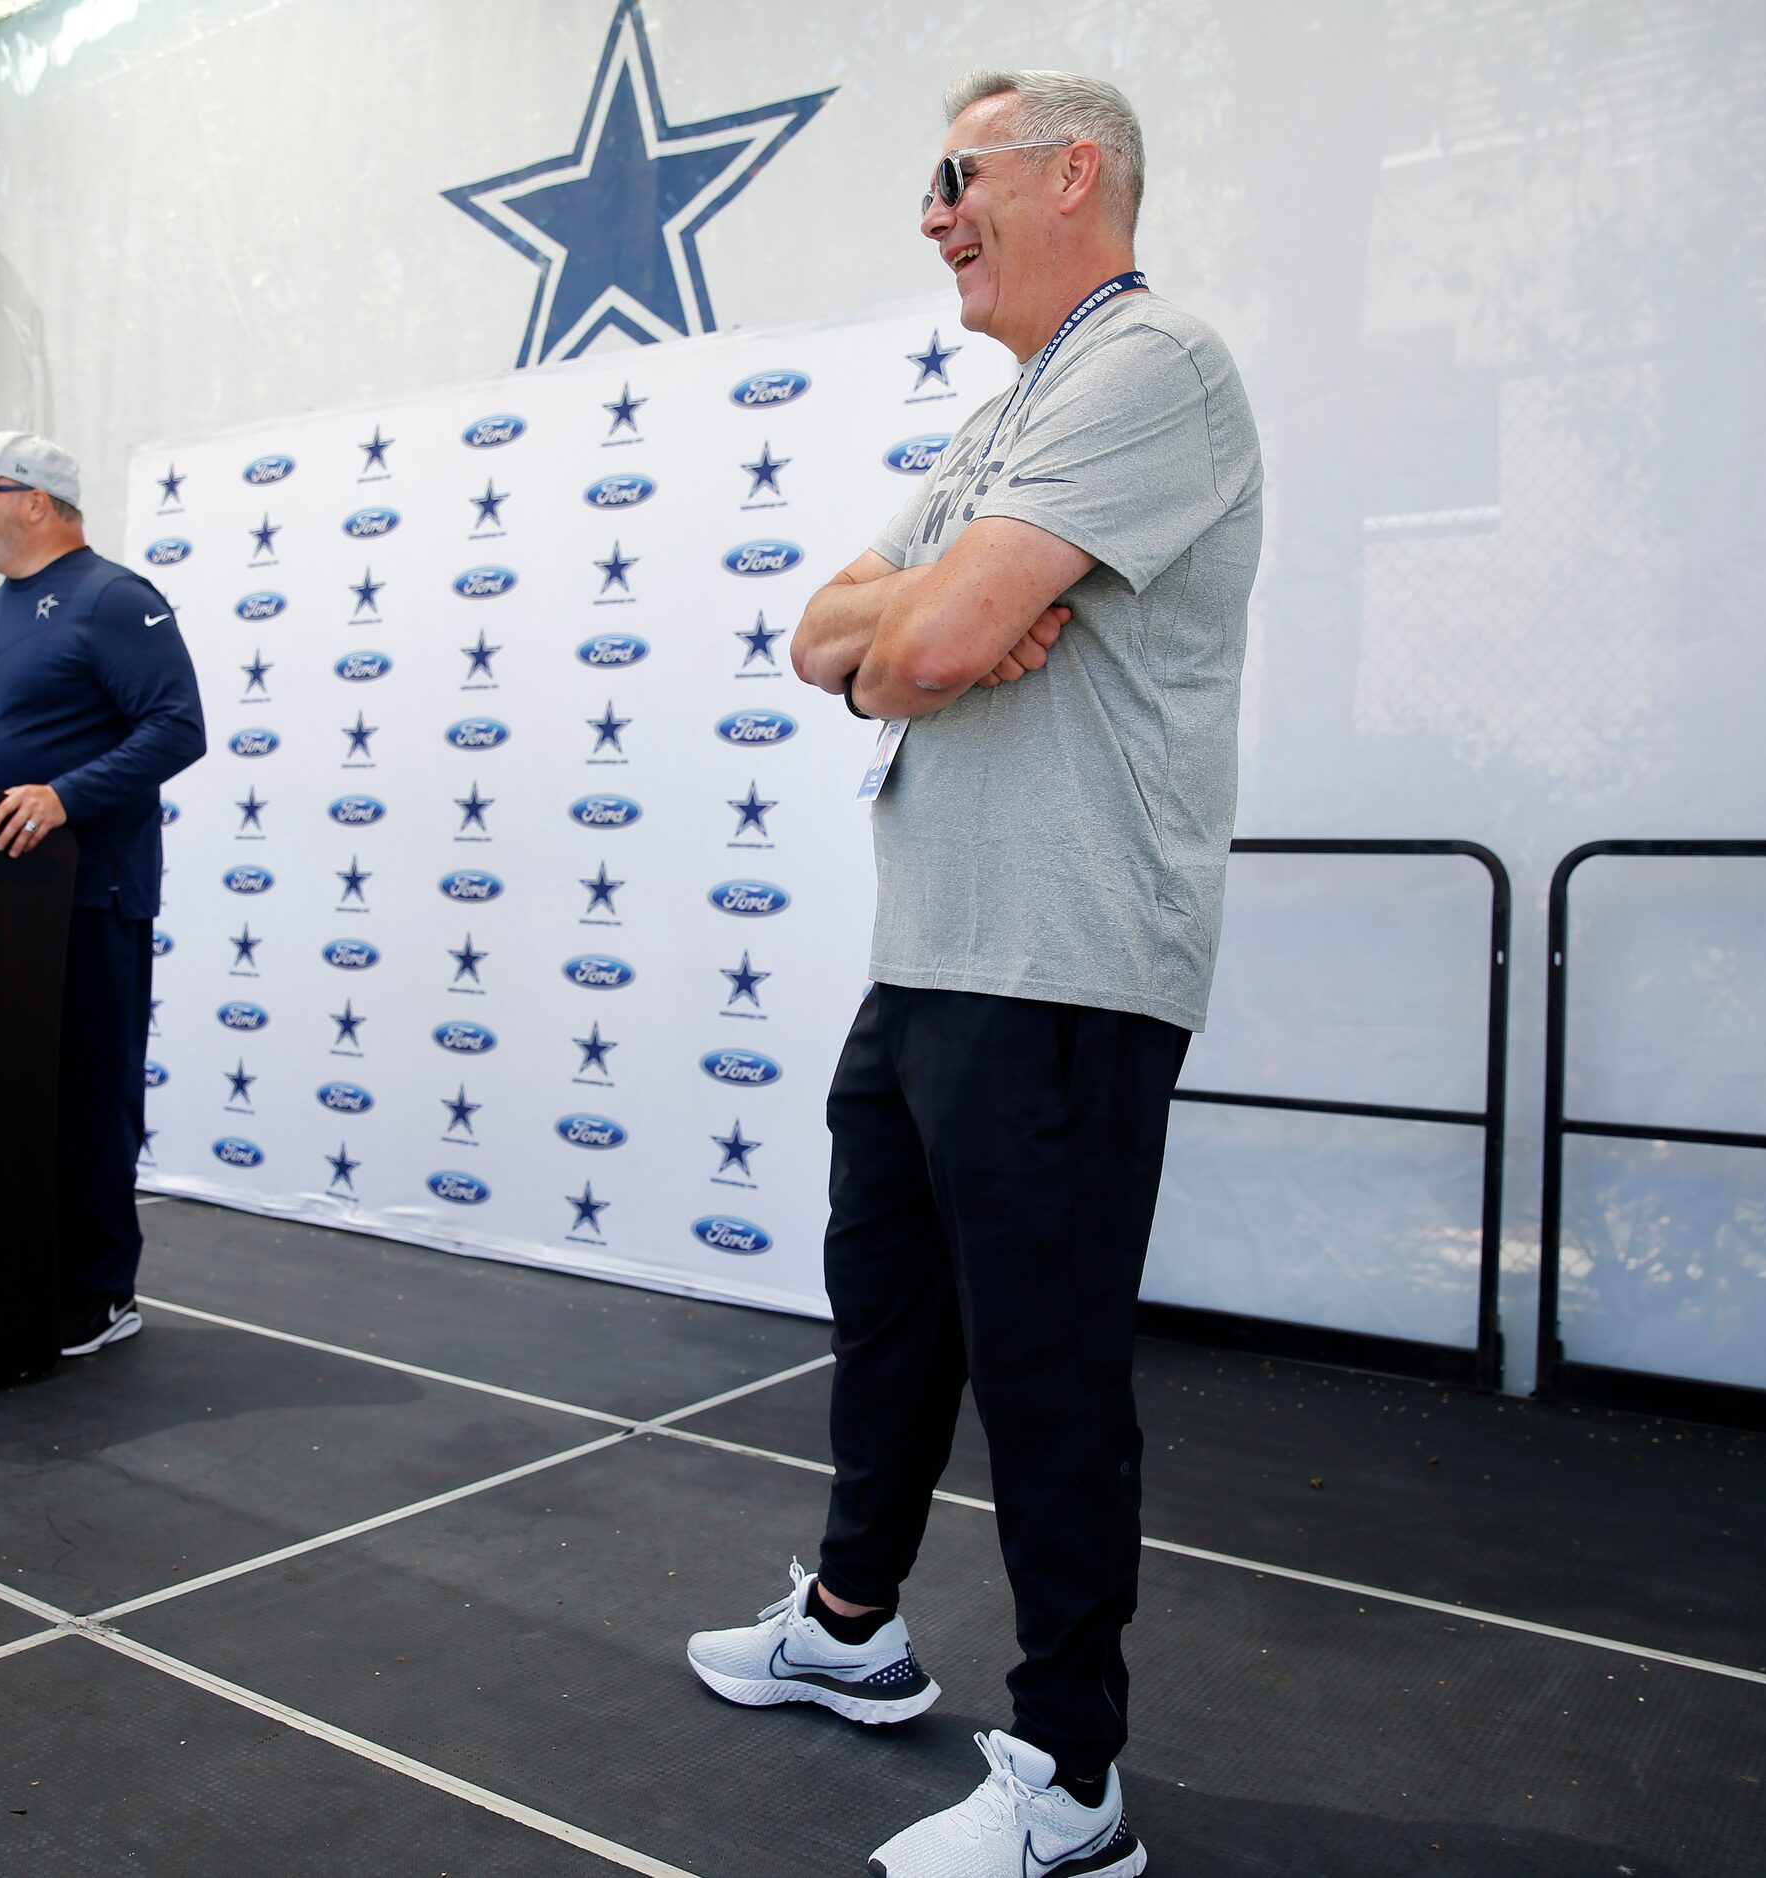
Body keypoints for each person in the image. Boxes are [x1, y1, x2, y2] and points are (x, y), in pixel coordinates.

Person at [685, 69, 1262, 1877]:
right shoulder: (1011, 412)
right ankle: (852, 1626)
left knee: (1046, 1371)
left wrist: (920, 628)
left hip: (1065, 967)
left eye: (958, 177)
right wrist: (907, 644)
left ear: (1069, 171)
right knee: (896, 1319)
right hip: (932, 957)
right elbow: (830, 630)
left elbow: (917, 621)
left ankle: (1069, 1781)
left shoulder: (1149, 366)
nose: (930, 213)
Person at [0, 430, 206, 1359]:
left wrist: (64, 798)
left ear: (35, 501)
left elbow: (178, 727)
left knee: (86, 1096)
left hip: (88, 896)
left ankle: (98, 1294)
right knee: (6, 1097)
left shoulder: (112, 598)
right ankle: (20, 1268)